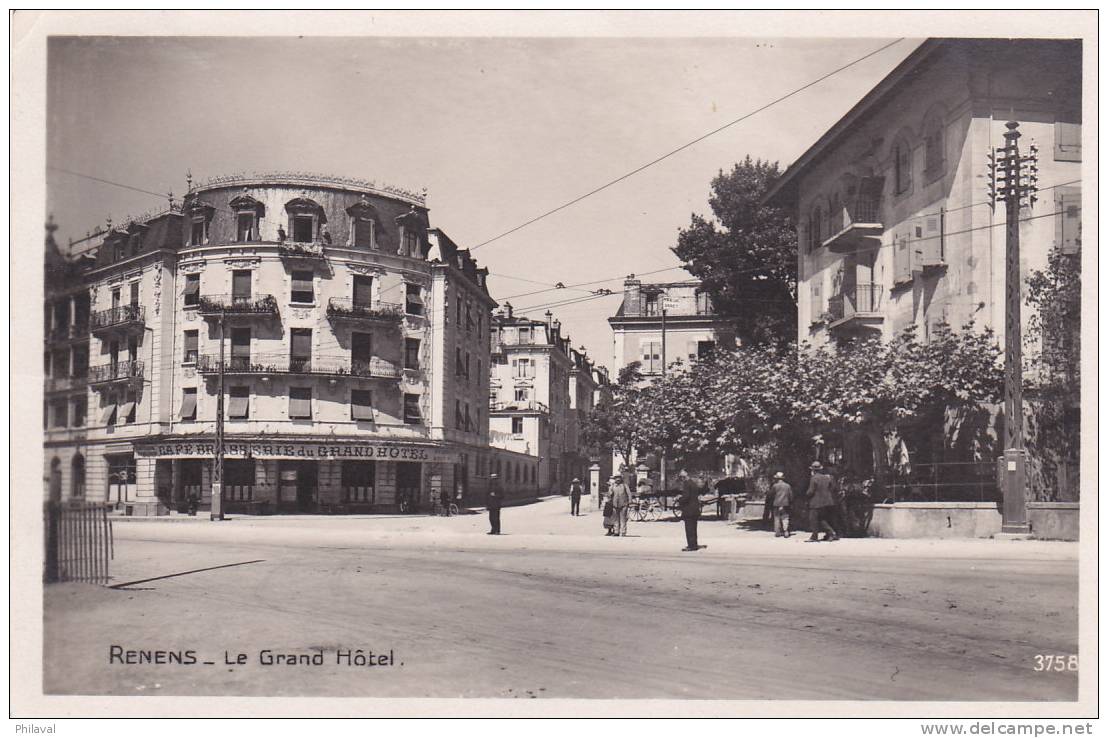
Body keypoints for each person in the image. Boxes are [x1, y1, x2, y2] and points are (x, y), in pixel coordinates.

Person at [805, 461, 839, 542]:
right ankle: (831, 533)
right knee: (822, 519)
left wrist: (806, 495)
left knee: (813, 519)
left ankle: (815, 536)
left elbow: (811, 491)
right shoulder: (827, 477)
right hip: (828, 501)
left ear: (813, 470)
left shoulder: (814, 478)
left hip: (816, 502)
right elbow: (832, 488)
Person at [677, 469, 704, 551]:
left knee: (689, 528)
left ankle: (691, 546)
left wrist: (679, 499)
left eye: (681, 478)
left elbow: (686, 497)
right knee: (694, 528)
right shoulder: (693, 483)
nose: (681, 479)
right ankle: (694, 544)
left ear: (683, 477)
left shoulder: (686, 484)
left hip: (689, 510)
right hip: (695, 509)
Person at [770, 471, 794, 538]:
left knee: (777, 518)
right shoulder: (787, 486)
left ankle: (777, 532)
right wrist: (790, 503)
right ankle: (786, 531)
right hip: (785, 504)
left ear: (777, 478)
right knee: (785, 518)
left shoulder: (774, 486)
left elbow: (771, 495)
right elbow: (791, 496)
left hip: (776, 504)